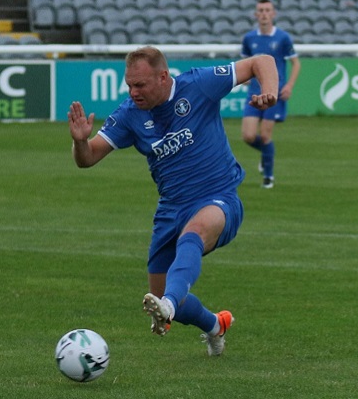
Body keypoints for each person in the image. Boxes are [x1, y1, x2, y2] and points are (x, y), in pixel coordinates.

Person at [67, 46, 279, 356]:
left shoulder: (198, 85)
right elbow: (87, 160)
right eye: (129, 85)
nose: (133, 91)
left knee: (193, 237)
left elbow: (263, 61)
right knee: (166, 299)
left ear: (163, 76)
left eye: (140, 84)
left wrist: (269, 92)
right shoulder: (129, 115)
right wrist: (80, 141)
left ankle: (169, 302)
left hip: (218, 197)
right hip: (171, 210)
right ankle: (215, 325)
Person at [241, 0, 300, 189]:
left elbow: (296, 63)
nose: (264, 14)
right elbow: (245, 64)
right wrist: (245, 78)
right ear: (256, 15)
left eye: (267, 10)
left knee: (265, 135)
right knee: (248, 136)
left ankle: (268, 176)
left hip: (274, 94)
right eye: (261, 10)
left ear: (273, 14)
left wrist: (289, 85)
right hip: (254, 93)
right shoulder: (249, 39)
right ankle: (266, 155)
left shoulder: (282, 38)